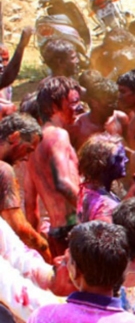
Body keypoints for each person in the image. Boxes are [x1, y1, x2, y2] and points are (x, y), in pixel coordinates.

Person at [24, 77, 81, 255]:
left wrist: (35, 245)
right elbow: (63, 182)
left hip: (56, 235)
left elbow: (30, 203)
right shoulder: (58, 135)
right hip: (74, 229)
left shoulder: (33, 144)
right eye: (73, 103)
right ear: (55, 106)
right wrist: (91, 208)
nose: (78, 108)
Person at [0, 114, 47, 260]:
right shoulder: (3, 170)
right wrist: (44, 249)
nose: (26, 158)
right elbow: (19, 227)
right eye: (28, 150)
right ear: (14, 137)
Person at [76, 134, 127, 223]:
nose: (126, 160)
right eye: (119, 159)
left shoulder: (88, 189)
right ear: (102, 165)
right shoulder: (106, 207)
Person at [68, 76, 127, 151]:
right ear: (94, 102)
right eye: (109, 102)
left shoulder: (120, 118)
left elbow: (129, 151)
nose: (114, 106)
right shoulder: (78, 125)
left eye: (115, 101)